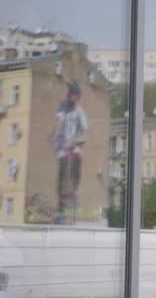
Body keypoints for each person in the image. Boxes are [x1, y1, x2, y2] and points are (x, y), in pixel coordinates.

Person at [52, 81, 88, 224]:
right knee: (60, 184)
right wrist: (56, 139)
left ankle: (72, 211)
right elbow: (59, 123)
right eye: (68, 94)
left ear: (77, 97)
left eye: (72, 94)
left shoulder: (80, 112)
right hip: (63, 151)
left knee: (71, 183)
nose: (69, 96)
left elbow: (85, 136)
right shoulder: (63, 107)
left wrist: (72, 142)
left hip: (74, 151)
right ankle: (61, 213)